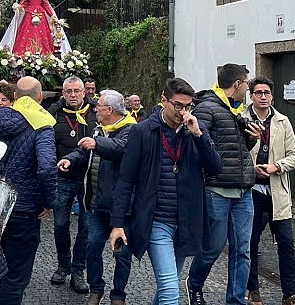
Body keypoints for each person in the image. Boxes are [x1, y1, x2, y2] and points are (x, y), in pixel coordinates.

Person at [109, 78, 223, 305]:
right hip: (156, 221)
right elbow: (126, 180)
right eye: (178, 105)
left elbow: (215, 168)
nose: (183, 111)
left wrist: (199, 136)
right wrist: (117, 223)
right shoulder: (142, 131)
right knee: (171, 289)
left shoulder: (195, 129)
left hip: (186, 220)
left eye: (188, 106)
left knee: (166, 287)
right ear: (164, 101)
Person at [186, 64, 262, 305]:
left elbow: (235, 151)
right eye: (248, 85)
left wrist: (249, 140)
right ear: (237, 84)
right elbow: (198, 144)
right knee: (214, 247)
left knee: (242, 251)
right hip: (217, 190)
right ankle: (194, 283)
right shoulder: (208, 108)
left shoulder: (235, 109)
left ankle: (235, 301)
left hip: (244, 190)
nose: (249, 90)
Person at [58, 89, 136, 305]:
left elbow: (123, 149)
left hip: (122, 208)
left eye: (98, 106)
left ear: (109, 110)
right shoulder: (100, 130)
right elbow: (84, 152)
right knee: (92, 247)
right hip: (96, 204)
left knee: (122, 254)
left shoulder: (132, 130)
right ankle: (96, 288)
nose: (94, 110)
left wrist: (98, 144)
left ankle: (118, 294)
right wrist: (70, 159)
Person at [0, 77, 58, 305]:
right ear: (40, 98)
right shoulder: (42, 126)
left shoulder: (1, 122)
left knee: (3, 270)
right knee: (17, 276)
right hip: (24, 208)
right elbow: (47, 168)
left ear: (15, 98)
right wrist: (49, 201)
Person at [244, 77, 295, 305]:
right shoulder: (242, 120)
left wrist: (276, 166)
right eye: (259, 93)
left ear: (272, 96)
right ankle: (253, 290)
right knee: (250, 243)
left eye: (267, 92)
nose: (263, 96)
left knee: (286, 243)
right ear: (251, 96)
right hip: (252, 192)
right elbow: (235, 155)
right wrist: (253, 169)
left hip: (278, 192)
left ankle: (290, 294)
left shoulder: (282, 121)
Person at [48, 76, 98, 293]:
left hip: (88, 179)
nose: (73, 95)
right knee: (60, 225)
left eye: (77, 91)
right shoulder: (55, 114)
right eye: (69, 91)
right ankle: (63, 265)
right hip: (63, 178)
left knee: (86, 228)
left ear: (84, 92)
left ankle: (78, 271)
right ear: (63, 93)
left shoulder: (96, 113)